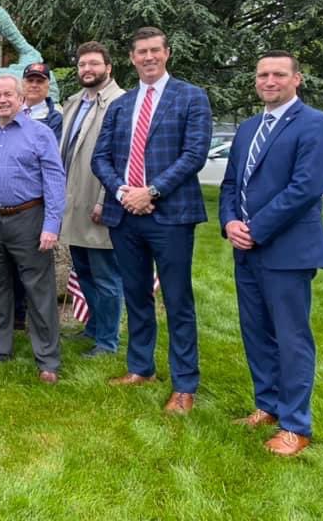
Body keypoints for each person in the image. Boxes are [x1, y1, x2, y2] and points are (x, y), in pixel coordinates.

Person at [218, 51, 323, 456]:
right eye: (263, 74)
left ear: (296, 79)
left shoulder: (318, 125)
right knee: (256, 333)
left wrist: (257, 229)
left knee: (291, 338)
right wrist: (230, 222)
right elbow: (231, 183)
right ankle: (266, 405)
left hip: (286, 252)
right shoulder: (249, 128)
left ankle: (295, 424)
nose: (269, 80)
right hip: (246, 252)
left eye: (278, 74)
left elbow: (306, 188)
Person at [92, 26, 212, 415]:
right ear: (131, 58)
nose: (148, 57)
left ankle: (184, 385)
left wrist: (152, 191)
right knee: (136, 293)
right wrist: (125, 191)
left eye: (154, 50)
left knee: (177, 300)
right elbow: (101, 158)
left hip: (171, 216)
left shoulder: (191, 97)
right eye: (141, 52)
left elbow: (194, 155)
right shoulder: (121, 105)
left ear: (167, 53)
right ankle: (140, 367)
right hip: (125, 214)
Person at [0, 75, 65, 383]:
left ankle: (47, 360)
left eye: (8, 94)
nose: (3, 100)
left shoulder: (40, 133)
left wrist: (51, 225)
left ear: (20, 98)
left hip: (29, 218)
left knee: (39, 290)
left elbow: (55, 181)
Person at [58, 42, 126, 356]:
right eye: (83, 64)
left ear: (108, 68)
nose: (88, 69)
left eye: (94, 64)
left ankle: (108, 342)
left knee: (106, 275)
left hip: (98, 200)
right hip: (72, 200)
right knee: (83, 270)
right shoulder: (73, 103)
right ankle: (94, 328)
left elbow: (121, 157)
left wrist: (106, 199)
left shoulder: (120, 103)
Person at [23, 63, 63, 139]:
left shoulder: (56, 119)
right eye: (30, 81)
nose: (34, 85)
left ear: (48, 85)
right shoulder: (11, 112)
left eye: (39, 81)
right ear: (23, 84)